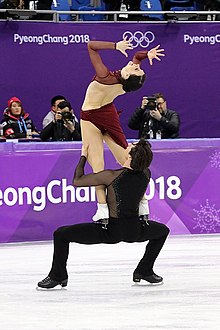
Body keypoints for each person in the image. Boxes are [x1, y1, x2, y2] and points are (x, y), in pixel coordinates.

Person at [37, 139, 170, 289]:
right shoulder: (146, 174)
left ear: (130, 157)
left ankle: (57, 276)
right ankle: (144, 270)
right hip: (135, 230)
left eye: (130, 147)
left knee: (61, 234)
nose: (127, 145)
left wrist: (84, 156)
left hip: (110, 231)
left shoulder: (111, 176)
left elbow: (77, 180)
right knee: (163, 231)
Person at [80, 38, 165, 222]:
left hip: (97, 115)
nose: (134, 65)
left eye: (136, 69)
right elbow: (137, 56)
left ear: (127, 76)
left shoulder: (105, 77)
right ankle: (103, 209)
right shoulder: (127, 79)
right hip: (100, 114)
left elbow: (91, 46)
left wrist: (115, 46)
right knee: (98, 164)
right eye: (137, 67)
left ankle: (142, 202)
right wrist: (147, 55)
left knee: (128, 159)